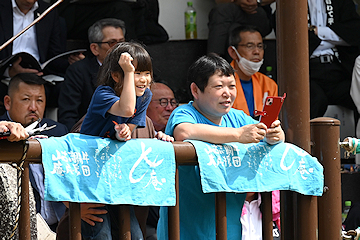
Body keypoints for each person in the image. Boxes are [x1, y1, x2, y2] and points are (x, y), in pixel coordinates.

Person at [157, 53, 285, 239]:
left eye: (232, 86)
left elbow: (270, 135)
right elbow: (184, 132)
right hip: (185, 229)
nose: (228, 93)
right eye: (218, 86)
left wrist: (275, 134)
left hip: (228, 228)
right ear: (195, 90)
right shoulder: (184, 112)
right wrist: (238, 135)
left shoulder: (237, 117)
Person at [80, 41, 172, 239]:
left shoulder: (145, 95)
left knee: (134, 235)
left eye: (146, 73)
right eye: (136, 73)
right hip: (90, 176)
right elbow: (127, 109)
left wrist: (124, 132)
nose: (143, 80)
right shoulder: (103, 94)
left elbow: (129, 125)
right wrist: (128, 72)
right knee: (100, 234)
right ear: (115, 76)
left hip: (115, 177)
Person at [0, 73, 68, 231]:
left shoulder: (57, 130)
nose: (33, 107)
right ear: (8, 102)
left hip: (58, 227)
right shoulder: (2, 131)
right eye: (26, 99)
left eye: (39, 100)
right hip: (15, 227)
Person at [0, 0, 84, 108]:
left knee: (67, 87)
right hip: (5, 75)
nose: (29, 1)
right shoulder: (2, 8)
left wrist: (71, 61)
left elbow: (55, 55)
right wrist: (8, 72)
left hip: (39, 74)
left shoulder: (48, 11)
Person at [58, 18, 126, 131]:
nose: (120, 48)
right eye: (112, 43)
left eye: (122, 42)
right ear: (95, 49)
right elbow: (68, 116)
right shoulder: (78, 71)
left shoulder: (133, 66)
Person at [307, 0, 360, 119]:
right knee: (315, 100)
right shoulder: (293, 4)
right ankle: (303, 138)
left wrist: (317, 32)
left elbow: (354, 31)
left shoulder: (340, 2)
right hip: (309, 71)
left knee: (357, 94)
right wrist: (334, 36)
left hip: (337, 68)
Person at [227, 25, 278, 117]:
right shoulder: (221, 82)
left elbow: (272, 121)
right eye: (249, 46)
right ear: (233, 52)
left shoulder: (269, 85)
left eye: (260, 46)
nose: (256, 51)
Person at [207, 0, 275, 62]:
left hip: (258, 11)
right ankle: (219, 65)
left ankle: (212, 61)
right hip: (234, 9)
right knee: (232, 28)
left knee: (222, 10)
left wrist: (257, 1)